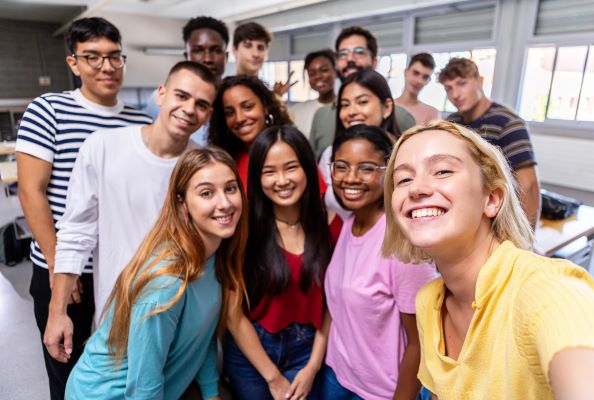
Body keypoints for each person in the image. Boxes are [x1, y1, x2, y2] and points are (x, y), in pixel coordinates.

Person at [382, 120, 594, 399]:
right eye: (403, 179)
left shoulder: (543, 289)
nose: (417, 189)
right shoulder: (429, 302)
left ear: (492, 198)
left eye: (442, 171)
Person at [44, 61, 218, 363]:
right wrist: (57, 311)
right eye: (182, 96)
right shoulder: (103, 147)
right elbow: (76, 233)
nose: (189, 109)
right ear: (161, 94)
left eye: (201, 105)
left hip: (177, 322)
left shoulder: (202, 168)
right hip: (116, 319)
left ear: (208, 115)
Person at [15, 17, 151, 400]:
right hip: (63, 273)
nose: (106, 67)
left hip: (121, 274)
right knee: (69, 375)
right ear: (73, 63)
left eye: (114, 57)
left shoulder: (139, 121)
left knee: (119, 375)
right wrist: (64, 269)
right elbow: (31, 193)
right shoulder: (48, 109)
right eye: (92, 57)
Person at [65, 147, 248, 399]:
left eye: (230, 188)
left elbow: (202, 334)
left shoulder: (215, 255)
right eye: (207, 193)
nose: (225, 203)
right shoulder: (166, 283)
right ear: (182, 203)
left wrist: (210, 392)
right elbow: (144, 388)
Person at [224, 125, 341, 400]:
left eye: (291, 167)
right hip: (252, 351)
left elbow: (333, 306)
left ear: (308, 169)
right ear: (256, 177)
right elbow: (232, 313)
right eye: (269, 171)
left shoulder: (333, 225)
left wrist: (312, 367)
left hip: (309, 349)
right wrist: (273, 378)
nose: (282, 180)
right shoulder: (243, 227)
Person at [322, 124, 436, 400]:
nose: (350, 178)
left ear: (388, 173)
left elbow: (420, 344)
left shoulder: (402, 244)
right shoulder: (350, 223)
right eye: (341, 166)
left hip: (381, 391)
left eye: (366, 168)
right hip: (338, 375)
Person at [439, 57, 540, 230]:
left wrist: (526, 240)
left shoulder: (508, 123)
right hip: (461, 216)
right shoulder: (452, 123)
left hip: (498, 219)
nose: (455, 94)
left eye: (462, 83)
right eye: (449, 88)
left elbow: (528, 185)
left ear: (480, 81)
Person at [309, 26, 415, 159]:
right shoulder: (321, 116)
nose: (350, 59)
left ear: (374, 61)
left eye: (359, 52)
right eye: (343, 54)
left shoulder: (402, 117)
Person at [319, 68, 399, 219]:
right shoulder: (330, 154)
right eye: (344, 104)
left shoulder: (404, 155)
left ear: (387, 107)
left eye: (362, 102)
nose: (351, 112)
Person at [144, 16, 229, 145]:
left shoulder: (231, 102)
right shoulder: (162, 99)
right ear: (186, 56)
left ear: (226, 56)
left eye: (215, 50)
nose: (207, 58)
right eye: (198, 50)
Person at [208, 75, 292, 190]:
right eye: (229, 113)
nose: (239, 118)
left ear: (265, 106)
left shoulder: (291, 149)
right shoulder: (222, 162)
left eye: (247, 107)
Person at [289, 49, 337, 138]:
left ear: (335, 72)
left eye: (324, 70)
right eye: (312, 73)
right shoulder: (296, 111)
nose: (318, 76)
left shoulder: (346, 109)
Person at [394, 53, 441, 125]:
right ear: (406, 72)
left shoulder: (432, 114)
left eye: (425, 77)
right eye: (415, 73)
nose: (419, 80)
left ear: (428, 81)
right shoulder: (387, 106)